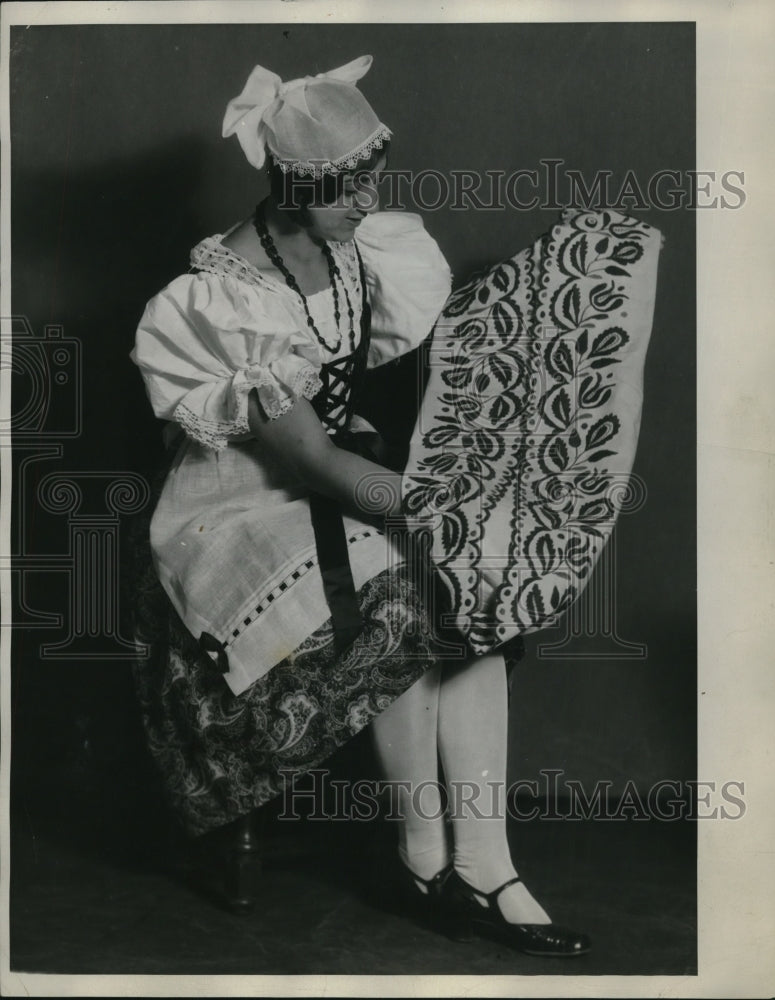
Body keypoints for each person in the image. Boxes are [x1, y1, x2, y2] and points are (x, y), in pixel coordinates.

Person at [130, 54, 590, 957]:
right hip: (239, 501)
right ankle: (426, 859)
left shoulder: (360, 246)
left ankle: (489, 864)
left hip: (341, 470)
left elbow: (365, 416)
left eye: (373, 172)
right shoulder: (229, 289)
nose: (369, 194)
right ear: (295, 183)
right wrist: (429, 500)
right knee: (404, 587)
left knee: (464, 585)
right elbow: (310, 461)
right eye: (350, 181)